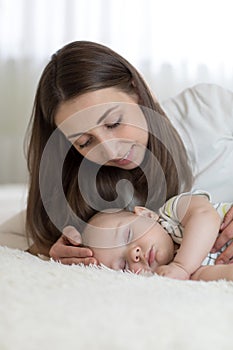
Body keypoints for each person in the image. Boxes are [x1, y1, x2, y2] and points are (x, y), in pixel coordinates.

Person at [0, 41, 233, 264]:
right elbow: (11, 235)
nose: (111, 151)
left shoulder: (206, 108)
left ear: (137, 91)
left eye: (113, 123)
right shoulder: (92, 195)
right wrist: (48, 250)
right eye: (84, 142)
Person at [72, 191, 233, 281]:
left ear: (147, 215)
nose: (133, 254)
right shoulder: (185, 276)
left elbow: (205, 215)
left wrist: (182, 266)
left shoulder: (172, 212)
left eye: (128, 235)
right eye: (124, 266)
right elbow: (223, 276)